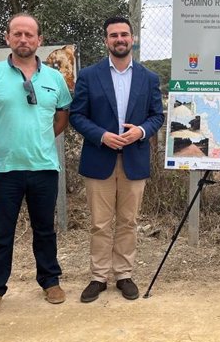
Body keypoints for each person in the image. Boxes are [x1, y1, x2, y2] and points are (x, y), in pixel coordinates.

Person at [0, 13, 72, 318]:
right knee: (1, 233)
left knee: (45, 230)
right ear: (8, 38)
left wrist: (40, 138)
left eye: (30, 35)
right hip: (1, 169)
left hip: (43, 168)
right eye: (18, 34)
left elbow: (62, 116)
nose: (23, 40)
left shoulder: (55, 79)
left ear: (39, 40)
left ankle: (50, 281)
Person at [70, 16, 164, 303]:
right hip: (100, 158)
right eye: (114, 35)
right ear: (106, 41)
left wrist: (141, 131)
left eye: (124, 34)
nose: (119, 39)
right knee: (99, 223)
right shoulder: (88, 75)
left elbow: (157, 116)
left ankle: (124, 274)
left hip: (134, 159)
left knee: (128, 221)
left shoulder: (148, 78)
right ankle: (98, 277)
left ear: (133, 38)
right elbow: (77, 115)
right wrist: (101, 136)